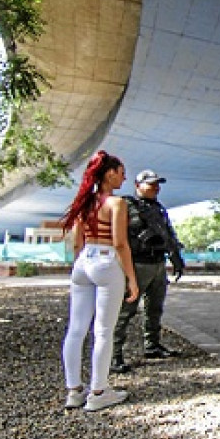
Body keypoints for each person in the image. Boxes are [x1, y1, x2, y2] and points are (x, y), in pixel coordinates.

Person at [60, 150, 139, 412]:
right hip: (106, 261)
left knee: (76, 329)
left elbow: (77, 241)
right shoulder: (116, 204)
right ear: (109, 173)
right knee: (104, 330)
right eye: (121, 173)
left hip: (84, 261)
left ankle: (74, 390)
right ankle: (99, 391)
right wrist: (131, 278)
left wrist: (79, 264)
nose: (124, 178)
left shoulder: (85, 202)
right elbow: (120, 243)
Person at [110, 169, 186, 373]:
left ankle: (152, 345)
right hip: (137, 264)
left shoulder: (158, 209)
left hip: (158, 263)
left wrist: (176, 257)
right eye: (151, 184)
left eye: (157, 184)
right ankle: (114, 354)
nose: (155, 188)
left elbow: (168, 234)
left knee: (155, 308)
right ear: (138, 185)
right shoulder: (127, 205)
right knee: (126, 310)